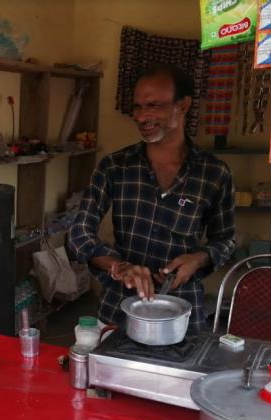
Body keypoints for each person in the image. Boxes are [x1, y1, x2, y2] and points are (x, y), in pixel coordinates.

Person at [68, 64, 235, 329]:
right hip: (119, 312)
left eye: (154, 105)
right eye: (137, 106)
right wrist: (120, 267)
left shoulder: (213, 173)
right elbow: (78, 234)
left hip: (183, 316)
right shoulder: (115, 166)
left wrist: (199, 258)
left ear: (183, 105)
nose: (141, 116)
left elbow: (225, 239)